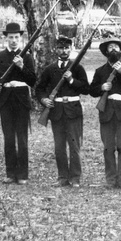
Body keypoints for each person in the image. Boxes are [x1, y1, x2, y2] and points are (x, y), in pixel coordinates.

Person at [0, 22, 37, 185]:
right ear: (5, 38)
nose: (14, 40)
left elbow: (33, 80)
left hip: (22, 100)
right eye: (11, 37)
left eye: (16, 37)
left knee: (22, 139)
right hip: (5, 100)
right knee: (9, 138)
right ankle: (10, 173)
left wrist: (22, 66)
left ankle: (22, 175)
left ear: (20, 38)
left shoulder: (27, 57)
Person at [35, 35, 87, 187]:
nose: (63, 51)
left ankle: (75, 177)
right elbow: (39, 89)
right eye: (60, 48)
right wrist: (44, 99)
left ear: (71, 49)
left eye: (66, 48)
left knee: (74, 146)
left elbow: (86, 88)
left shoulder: (77, 68)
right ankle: (62, 177)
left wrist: (71, 80)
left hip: (73, 111)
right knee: (59, 147)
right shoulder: (49, 69)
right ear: (55, 49)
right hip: (57, 112)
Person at [88, 38, 121, 189]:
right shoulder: (100, 71)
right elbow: (92, 91)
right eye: (110, 47)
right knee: (108, 147)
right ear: (106, 52)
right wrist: (102, 87)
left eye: (116, 47)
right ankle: (110, 179)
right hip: (107, 110)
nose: (113, 49)